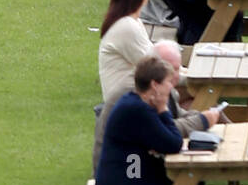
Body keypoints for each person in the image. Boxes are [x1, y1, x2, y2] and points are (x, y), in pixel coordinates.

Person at [93, 40, 220, 175]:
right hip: (124, 172)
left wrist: (200, 116)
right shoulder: (138, 99)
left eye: (177, 69)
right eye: (171, 69)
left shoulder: (155, 88)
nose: (175, 76)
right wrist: (202, 120)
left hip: (134, 166)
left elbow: (176, 116)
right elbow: (169, 137)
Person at [94, 55, 187, 185]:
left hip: (128, 178)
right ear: (154, 85)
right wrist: (163, 107)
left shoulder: (134, 102)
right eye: (167, 83)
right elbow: (174, 143)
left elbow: (164, 139)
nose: (171, 88)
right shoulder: (138, 110)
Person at [98, 0, 154, 101]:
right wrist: (189, 77)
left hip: (134, 96)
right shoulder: (126, 27)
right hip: (126, 103)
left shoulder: (133, 22)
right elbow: (152, 69)